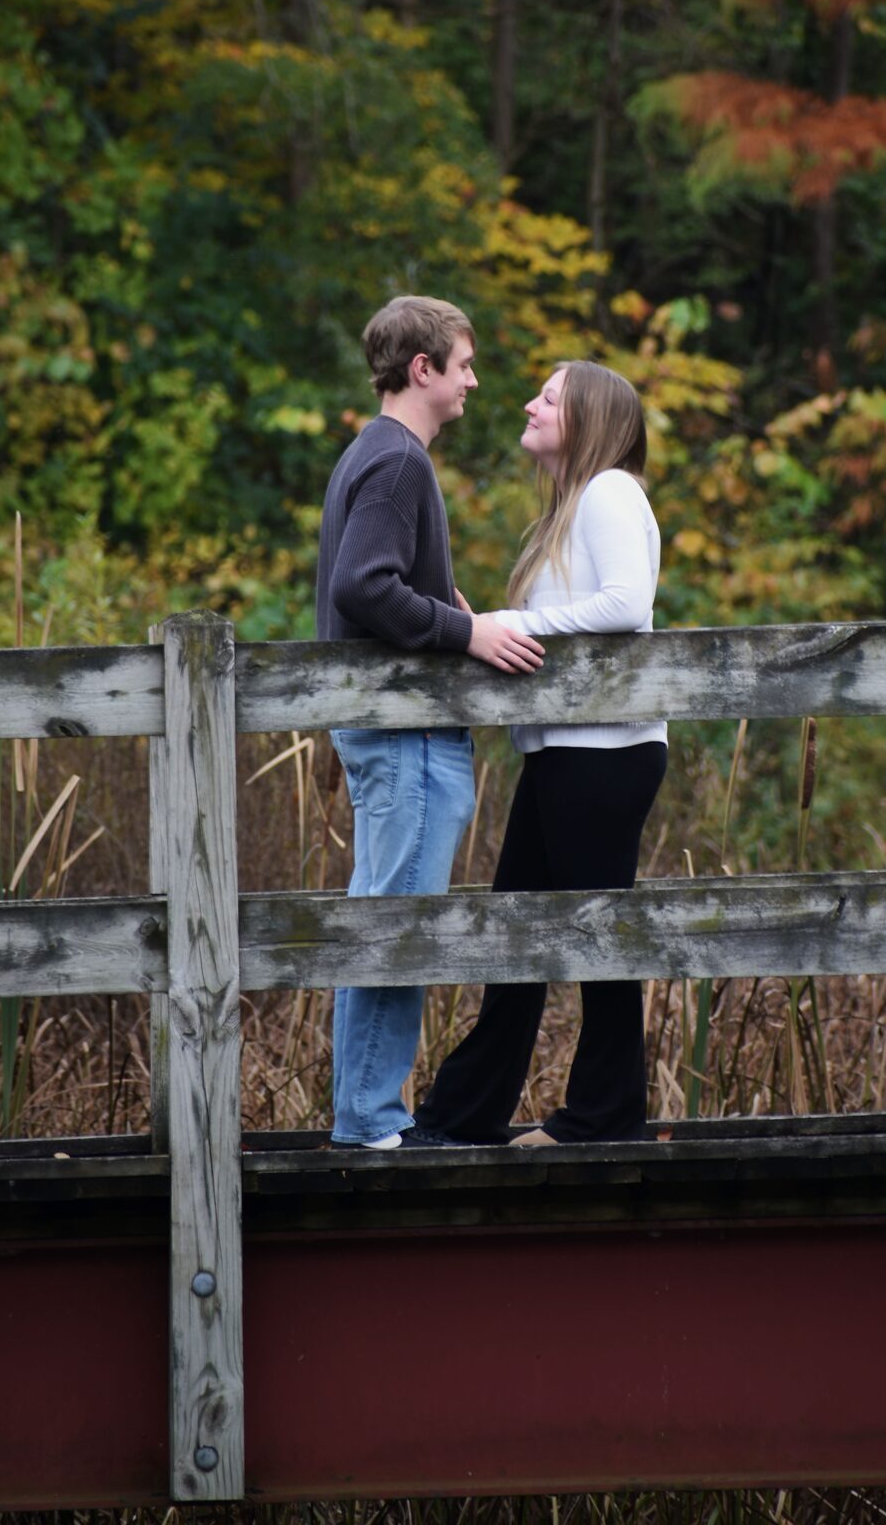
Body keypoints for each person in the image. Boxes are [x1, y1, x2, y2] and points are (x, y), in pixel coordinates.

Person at [414, 360, 668, 1148]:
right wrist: (485, 621)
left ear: (589, 417)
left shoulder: (609, 492)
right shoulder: (574, 506)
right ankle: (466, 1115)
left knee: (594, 934)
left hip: (603, 754)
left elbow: (628, 605)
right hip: (565, 751)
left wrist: (512, 624)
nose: (528, 403)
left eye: (549, 397)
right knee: (517, 932)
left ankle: (603, 1118)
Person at [317, 295, 544, 1149]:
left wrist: (443, 599)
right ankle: (372, 1125)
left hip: (394, 731)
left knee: (383, 918)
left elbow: (379, 579)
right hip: (402, 734)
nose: (474, 382)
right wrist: (469, 632)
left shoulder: (374, 455)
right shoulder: (400, 461)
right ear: (424, 370)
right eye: (463, 365)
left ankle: (365, 1116)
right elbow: (362, 587)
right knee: (397, 927)